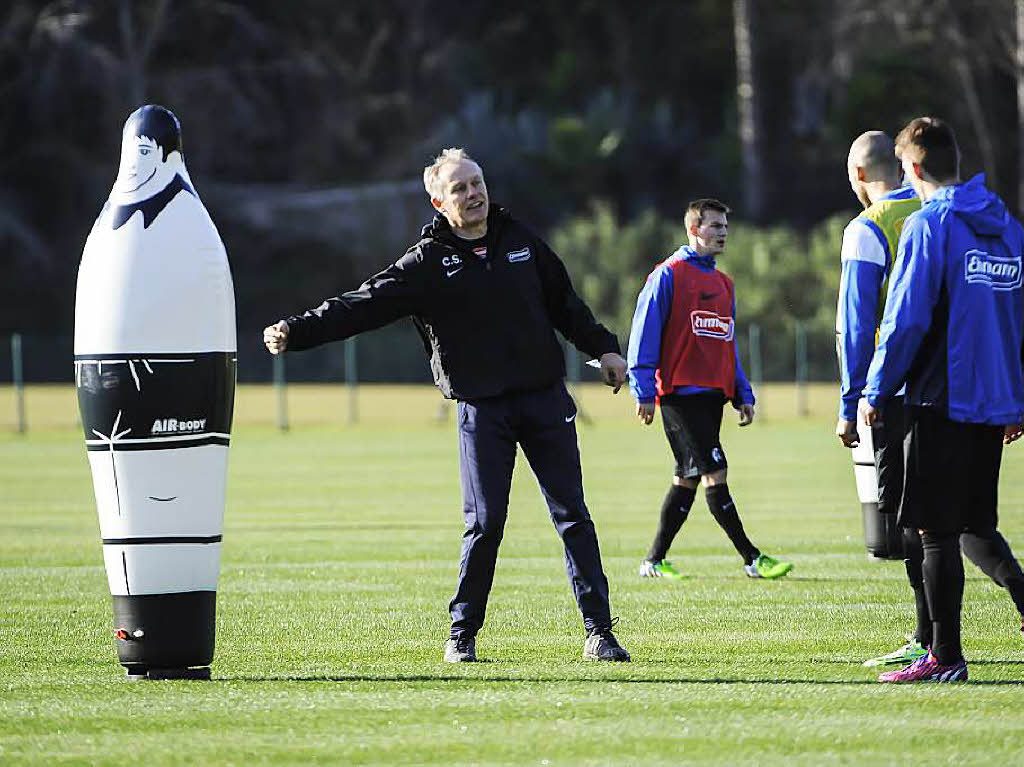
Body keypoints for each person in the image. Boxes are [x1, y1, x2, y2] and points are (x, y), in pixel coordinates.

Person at [263, 148, 630, 663]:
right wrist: (297, 331)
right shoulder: (427, 263)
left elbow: (567, 306)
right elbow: (362, 305)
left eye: (477, 183)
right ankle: (462, 635)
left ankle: (600, 632)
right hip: (483, 410)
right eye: (459, 189)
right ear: (439, 202)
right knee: (485, 524)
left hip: (544, 399)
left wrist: (605, 348)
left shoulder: (522, 241)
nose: (473, 194)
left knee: (573, 516)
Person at [836, 131, 1024, 670]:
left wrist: (873, 390)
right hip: (992, 402)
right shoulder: (1007, 227)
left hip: (939, 395)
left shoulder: (929, 225)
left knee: (934, 531)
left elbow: (906, 318)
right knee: (973, 524)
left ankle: (944, 656)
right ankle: (944, 652)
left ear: (913, 172)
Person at [627, 198, 792, 581]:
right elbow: (643, 334)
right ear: (693, 229)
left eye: (725, 227)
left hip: (712, 396)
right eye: (715, 226)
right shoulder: (668, 275)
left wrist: (742, 392)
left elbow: (727, 345)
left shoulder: (724, 284)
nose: (723, 233)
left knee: (687, 476)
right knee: (715, 470)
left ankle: (653, 561)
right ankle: (751, 558)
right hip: (679, 395)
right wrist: (643, 391)